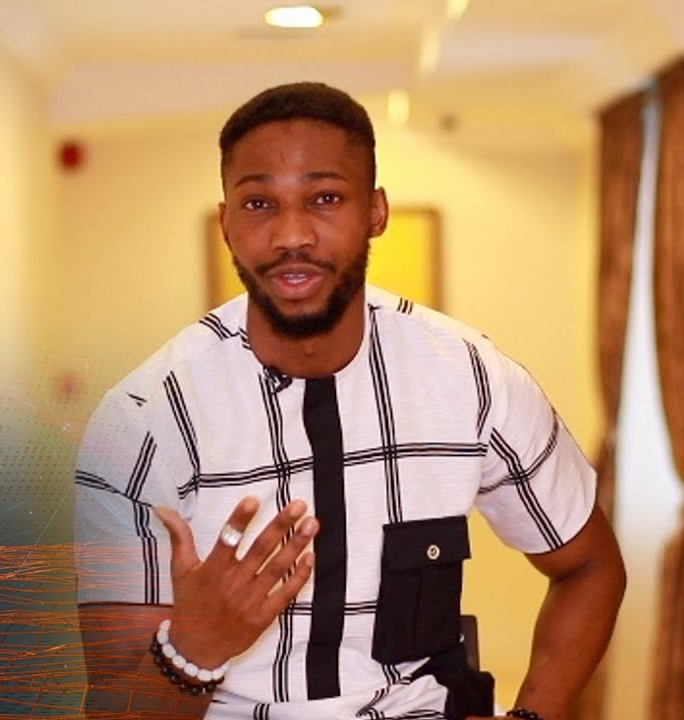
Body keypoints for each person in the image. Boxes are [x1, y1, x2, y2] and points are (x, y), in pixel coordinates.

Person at [73, 81, 626, 720]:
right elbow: (114, 707)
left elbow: (589, 567)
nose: (291, 234)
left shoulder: (472, 377)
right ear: (227, 222)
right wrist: (196, 646)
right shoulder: (140, 423)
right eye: (259, 203)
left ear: (375, 212)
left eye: (325, 198)